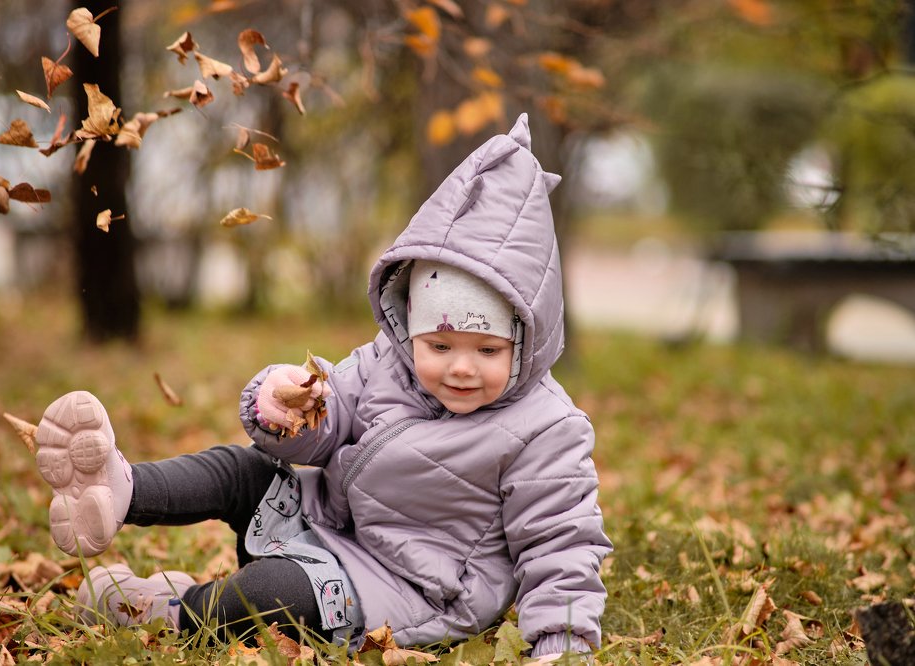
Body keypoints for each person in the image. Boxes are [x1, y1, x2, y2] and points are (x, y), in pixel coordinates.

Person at [34, 113, 611, 659]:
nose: (461, 368)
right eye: (439, 346)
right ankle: (121, 488)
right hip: (327, 524)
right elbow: (327, 422)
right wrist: (289, 408)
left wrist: (561, 644)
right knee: (242, 472)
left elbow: (561, 544)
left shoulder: (545, 428)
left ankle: (159, 607)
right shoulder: (389, 361)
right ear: (409, 325)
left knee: (270, 593)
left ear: (526, 339)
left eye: (487, 351)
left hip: (407, 590)